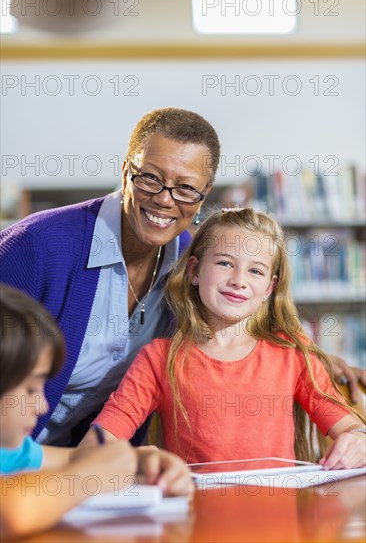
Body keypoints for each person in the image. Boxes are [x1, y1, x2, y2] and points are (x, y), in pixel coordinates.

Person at [0, 107, 363, 446]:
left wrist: (312, 359)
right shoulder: (35, 247)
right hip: (17, 454)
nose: (164, 200)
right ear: (126, 171)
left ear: (204, 196)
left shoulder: (194, 258)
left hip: (86, 463)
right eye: (150, 178)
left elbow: (235, 320)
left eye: (186, 188)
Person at [82, 208, 366, 468]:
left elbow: (354, 431)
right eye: (225, 263)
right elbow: (97, 443)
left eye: (255, 270)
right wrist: (135, 460)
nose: (239, 280)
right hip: (193, 520)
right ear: (194, 271)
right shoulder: (159, 358)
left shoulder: (292, 353)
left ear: (270, 287)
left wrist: (358, 440)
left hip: (277, 520)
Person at [0, 285, 194, 537]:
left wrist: (137, 463)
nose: (42, 405)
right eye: (29, 390)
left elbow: (72, 460)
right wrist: (90, 475)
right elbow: (8, 513)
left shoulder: (9, 452)